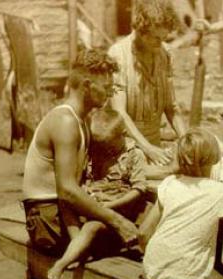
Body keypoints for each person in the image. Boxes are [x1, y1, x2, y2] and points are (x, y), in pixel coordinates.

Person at [22, 48, 138, 263]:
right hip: (48, 218)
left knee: (136, 219)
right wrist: (116, 221)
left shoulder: (81, 119)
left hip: (62, 211)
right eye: (106, 87)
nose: (110, 93)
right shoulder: (65, 122)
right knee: (134, 238)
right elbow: (67, 191)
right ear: (87, 86)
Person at [139, 130, 223, 279]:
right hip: (184, 275)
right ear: (214, 158)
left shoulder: (170, 183)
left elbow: (143, 233)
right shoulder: (220, 192)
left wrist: (157, 259)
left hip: (151, 269)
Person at [46, 109, 148, 279]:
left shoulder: (134, 155)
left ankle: (62, 263)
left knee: (91, 227)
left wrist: (109, 206)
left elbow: (138, 189)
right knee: (64, 203)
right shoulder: (95, 150)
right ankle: (78, 249)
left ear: (123, 134)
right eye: (100, 144)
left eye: (109, 144)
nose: (105, 149)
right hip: (94, 202)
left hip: (115, 210)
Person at [108, 0, 187, 171]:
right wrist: (148, 149)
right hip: (123, 145)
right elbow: (119, 113)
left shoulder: (164, 54)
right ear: (140, 31)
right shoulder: (118, 55)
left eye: (164, 38)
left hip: (153, 145)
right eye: (156, 38)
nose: (160, 44)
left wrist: (186, 140)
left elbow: (171, 107)